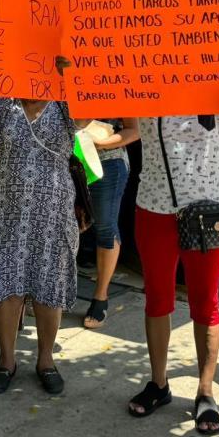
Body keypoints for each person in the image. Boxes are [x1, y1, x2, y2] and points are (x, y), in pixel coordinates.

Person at [0, 91, 84, 396]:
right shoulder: (3, 98)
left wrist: (74, 76)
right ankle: (6, 360)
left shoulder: (64, 102)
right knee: (6, 284)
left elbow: (85, 116)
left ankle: (46, 361)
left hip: (52, 211)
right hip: (4, 210)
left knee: (48, 287)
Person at [126, 113, 219, 434]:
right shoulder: (142, 80)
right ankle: (159, 383)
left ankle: (205, 391)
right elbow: (96, 111)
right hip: (154, 208)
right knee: (157, 299)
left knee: (205, 302)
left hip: (207, 209)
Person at [83, 118, 139, 330]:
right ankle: (52, 294)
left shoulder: (118, 86)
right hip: (65, 161)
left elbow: (134, 131)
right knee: (59, 227)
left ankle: (100, 297)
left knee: (105, 227)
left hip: (107, 162)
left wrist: (97, 143)